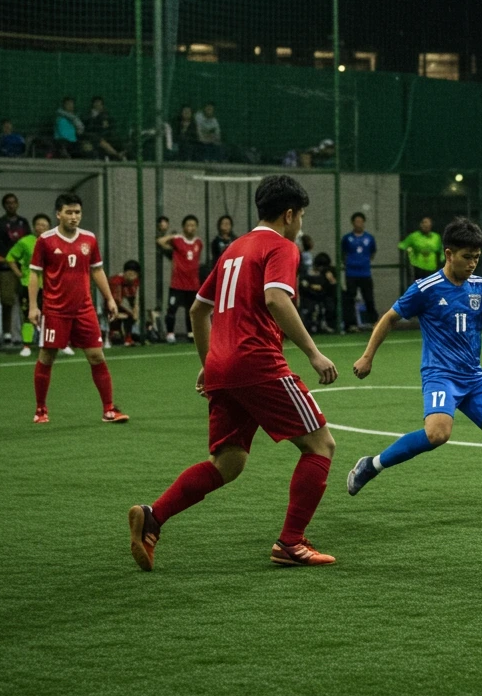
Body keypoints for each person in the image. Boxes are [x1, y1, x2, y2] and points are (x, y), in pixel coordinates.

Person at [128, 175, 340, 570]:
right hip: (258, 362)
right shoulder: (281, 246)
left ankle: (153, 516)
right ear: (290, 214)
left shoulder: (233, 250)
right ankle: (290, 543)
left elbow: (197, 310)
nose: (301, 225)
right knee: (320, 446)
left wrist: (209, 364)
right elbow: (276, 299)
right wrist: (313, 353)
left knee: (228, 462)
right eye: (302, 216)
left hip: (224, 367)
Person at [346, 218, 482, 512]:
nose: (472, 264)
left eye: (477, 258)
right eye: (467, 257)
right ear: (448, 253)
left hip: (473, 376)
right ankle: (371, 465)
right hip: (440, 375)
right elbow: (389, 317)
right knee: (437, 434)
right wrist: (367, 356)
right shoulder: (426, 288)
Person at [27, 192, 128, 424]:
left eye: (77, 212)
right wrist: (33, 307)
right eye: (69, 212)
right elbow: (35, 273)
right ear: (58, 214)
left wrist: (110, 299)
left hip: (84, 309)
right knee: (47, 357)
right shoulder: (45, 240)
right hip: (55, 310)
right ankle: (41, 409)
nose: (74, 217)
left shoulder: (89, 239)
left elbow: (97, 270)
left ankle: (109, 410)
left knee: (96, 356)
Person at [2, 213, 51, 357]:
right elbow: (10, 257)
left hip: (47, 286)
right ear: (34, 226)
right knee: (28, 315)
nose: (41, 228)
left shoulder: (52, 242)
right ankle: (26, 345)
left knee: (49, 316)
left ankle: (49, 344)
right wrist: (18, 273)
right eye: (39, 224)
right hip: (28, 284)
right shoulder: (25, 242)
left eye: (45, 225)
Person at [0, 193, 31, 346]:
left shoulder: (23, 223)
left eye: (13, 202)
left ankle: (24, 334)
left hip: (23, 268)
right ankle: (7, 333)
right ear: (4, 205)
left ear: (18, 204)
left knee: (25, 300)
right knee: (7, 300)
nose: (11, 205)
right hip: (5, 268)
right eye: (8, 203)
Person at [157, 215, 202, 343]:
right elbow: (160, 242)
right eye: (188, 225)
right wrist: (173, 236)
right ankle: (170, 333)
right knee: (172, 309)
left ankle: (191, 333)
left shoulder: (199, 243)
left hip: (193, 284)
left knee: (192, 311)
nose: (191, 228)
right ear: (183, 227)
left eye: (193, 225)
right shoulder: (177, 240)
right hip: (177, 284)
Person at [341, 211, 378, 332]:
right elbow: (343, 254)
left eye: (361, 221)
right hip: (351, 274)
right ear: (353, 223)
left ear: (364, 223)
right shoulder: (347, 238)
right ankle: (351, 325)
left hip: (365, 273)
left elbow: (372, 253)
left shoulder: (369, 238)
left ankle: (374, 323)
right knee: (350, 299)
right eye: (356, 221)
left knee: (369, 298)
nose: (359, 224)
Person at [300, 252, 338, 334]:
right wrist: (311, 286)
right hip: (312, 296)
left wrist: (331, 280)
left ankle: (329, 325)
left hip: (327, 296)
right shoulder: (310, 272)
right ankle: (311, 326)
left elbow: (331, 286)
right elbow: (305, 285)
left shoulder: (330, 272)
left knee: (329, 304)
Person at [107, 260, 142, 347]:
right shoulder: (116, 282)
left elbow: (135, 299)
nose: (132, 277)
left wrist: (135, 311)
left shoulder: (135, 281)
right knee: (124, 315)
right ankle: (111, 334)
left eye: (134, 274)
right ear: (125, 273)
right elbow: (113, 302)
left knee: (130, 316)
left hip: (117, 305)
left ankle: (128, 338)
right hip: (107, 305)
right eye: (130, 273)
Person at [398, 216, 442, 280]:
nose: (426, 225)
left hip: (432, 268)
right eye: (424, 223)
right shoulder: (413, 236)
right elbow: (402, 246)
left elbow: (440, 250)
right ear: (420, 224)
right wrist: (409, 254)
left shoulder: (436, 237)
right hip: (418, 268)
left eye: (428, 223)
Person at [83, 96, 124, 160]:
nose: (98, 105)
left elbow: (108, 126)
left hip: (105, 135)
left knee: (116, 139)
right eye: (96, 103)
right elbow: (88, 127)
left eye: (100, 103)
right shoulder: (88, 115)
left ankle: (122, 154)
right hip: (93, 137)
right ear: (93, 104)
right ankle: (117, 155)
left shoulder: (106, 115)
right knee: (100, 140)